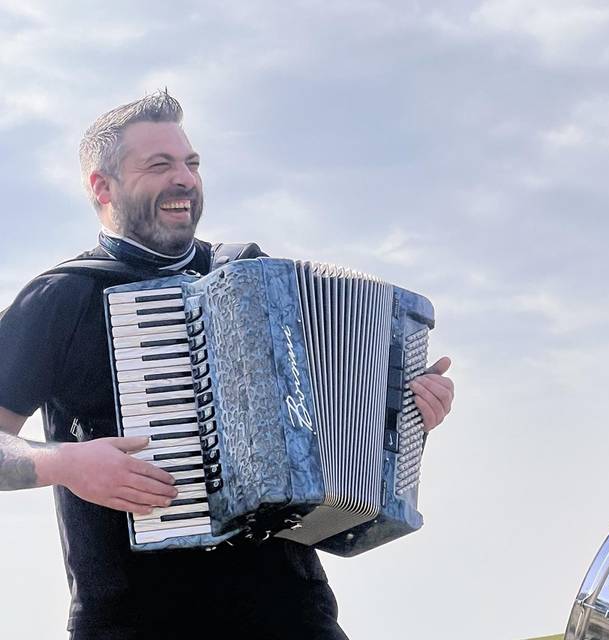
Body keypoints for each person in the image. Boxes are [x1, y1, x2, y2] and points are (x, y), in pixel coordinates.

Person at [0, 91, 455, 639]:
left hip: (291, 612)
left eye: (191, 163)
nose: (184, 179)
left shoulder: (256, 279)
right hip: (135, 621)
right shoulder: (63, 297)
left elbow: (336, 436)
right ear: (102, 186)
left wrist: (407, 417)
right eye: (159, 164)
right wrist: (67, 464)